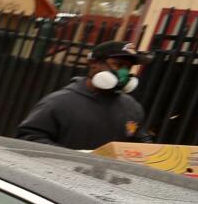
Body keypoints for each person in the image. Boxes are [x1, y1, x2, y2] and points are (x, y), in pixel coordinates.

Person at [17, 40, 148, 149]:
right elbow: (28, 138)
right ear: (93, 64)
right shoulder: (59, 102)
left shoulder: (132, 107)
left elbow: (141, 143)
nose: (124, 73)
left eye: (128, 68)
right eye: (118, 65)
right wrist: (71, 157)